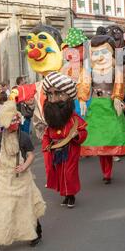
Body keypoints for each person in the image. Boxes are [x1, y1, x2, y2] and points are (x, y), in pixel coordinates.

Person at [0, 101, 46, 251]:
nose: (16, 122)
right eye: (13, 120)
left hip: (22, 179)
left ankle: (35, 232)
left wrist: (24, 167)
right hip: (3, 179)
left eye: (17, 119)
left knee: (26, 207)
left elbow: (30, 155)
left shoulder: (23, 137)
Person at [78, 34, 125, 183]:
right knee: (99, 140)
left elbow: (119, 84)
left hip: (109, 105)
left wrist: (118, 98)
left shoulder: (116, 69)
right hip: (96, 106)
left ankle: (108, 172)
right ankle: (105, 172)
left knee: (110, 138)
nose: (100, 57)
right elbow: (84, 83)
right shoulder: (89, 70)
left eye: (104, 52)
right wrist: (82, 98)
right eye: (95, 53)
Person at [42, 72, 87, 207]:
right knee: (60, 173)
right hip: (56, 151)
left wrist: (77, 136)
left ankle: (71, 195)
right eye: (51, 95)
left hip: (70, 149)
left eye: (59, 94)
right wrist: (46, 146)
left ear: (68, 96)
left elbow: (83, 131)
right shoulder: (51, 119)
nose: (54, 99)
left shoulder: (73, 118)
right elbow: (47, 134)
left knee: (69, 172)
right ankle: (66, 195)